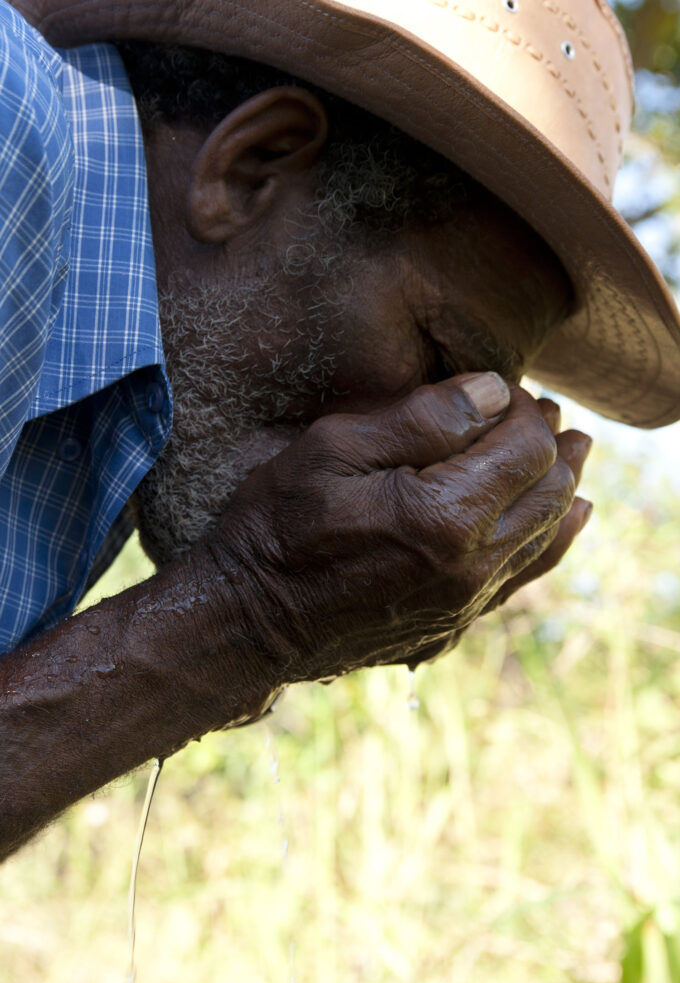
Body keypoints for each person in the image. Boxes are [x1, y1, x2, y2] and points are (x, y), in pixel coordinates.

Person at [1, 0, 678, 861]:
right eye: (441, 357)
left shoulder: (134, 405)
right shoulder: (11, 134)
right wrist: (246, 619)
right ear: (251, 167)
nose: (427, 435)